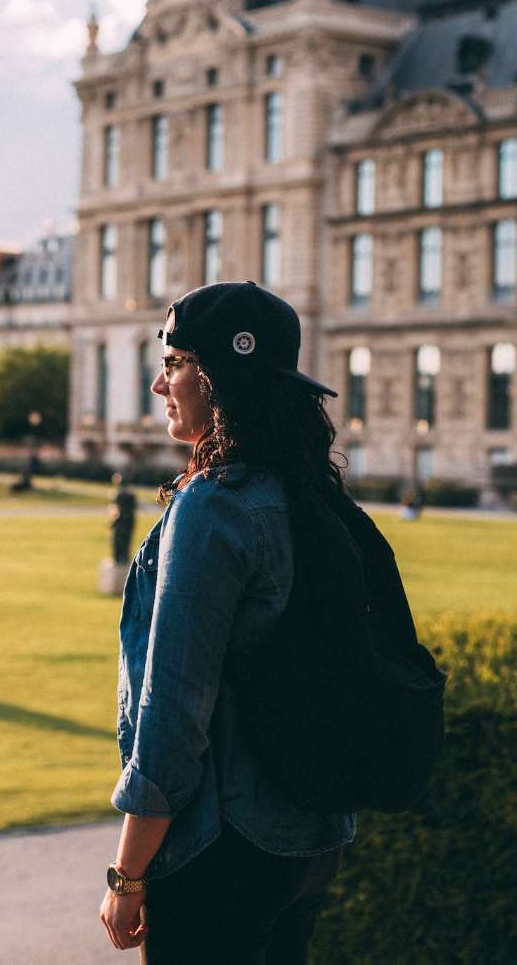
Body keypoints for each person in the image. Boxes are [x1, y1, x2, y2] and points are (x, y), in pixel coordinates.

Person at [99, 282, 355, 963]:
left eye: (175, 363)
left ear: (218, 378)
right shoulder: (306, 492)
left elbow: (172, 714)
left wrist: (127, 874)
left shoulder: (214, 506)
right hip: (309, 838)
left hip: (222, 846)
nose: (159, 384)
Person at [108, 472, 137, 565]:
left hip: (121, 522)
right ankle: (124, 557)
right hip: (129, 521)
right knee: (126, 540)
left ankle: (118, 558)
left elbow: (116, 511)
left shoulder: (118, 495)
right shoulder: (132, 495)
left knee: (118, 540)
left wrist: (113, 522)